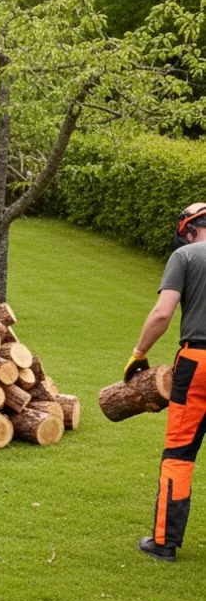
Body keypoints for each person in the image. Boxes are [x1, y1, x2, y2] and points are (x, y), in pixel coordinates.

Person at [127, 202, 206, 562]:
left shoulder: (186, 257)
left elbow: (163, 313)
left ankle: (164, 542)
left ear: (189, 230)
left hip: (198, 363)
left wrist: (139, 352)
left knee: (179, 453)